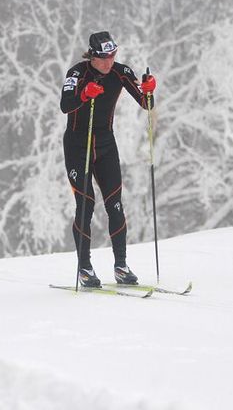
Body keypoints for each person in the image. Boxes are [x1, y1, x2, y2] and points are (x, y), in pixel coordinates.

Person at [60, 31, 156, 287]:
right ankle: (85, 268)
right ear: (92, 55)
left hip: (105, 145)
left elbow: (146, 103)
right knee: (86, 205)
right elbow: (65, 105)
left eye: (112, 56)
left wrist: (148, 91)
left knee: (115, 204)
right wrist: (83, 94)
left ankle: (121, 266)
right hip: (77, 145)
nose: (108, 63)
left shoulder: (120, 71)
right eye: (103, 58)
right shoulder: (77, 73)